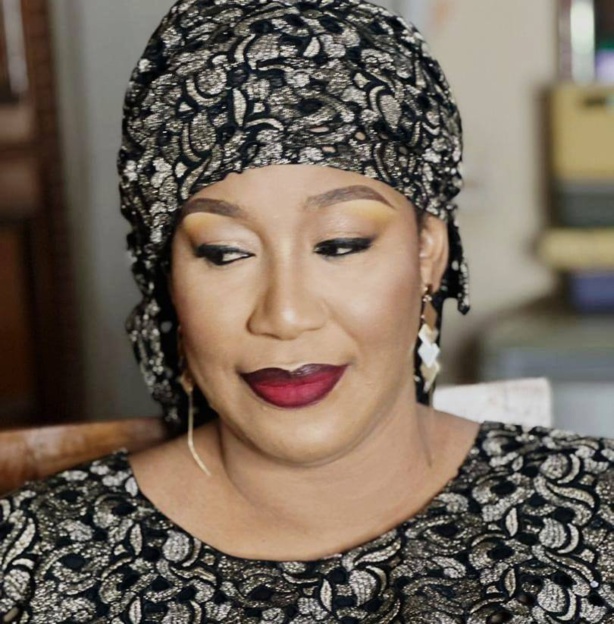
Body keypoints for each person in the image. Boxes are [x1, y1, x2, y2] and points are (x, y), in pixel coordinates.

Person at [1, 0, 613, 621]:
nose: (285, 315)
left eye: (340, 244)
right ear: (168, 279)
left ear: (428, 253)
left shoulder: (596, 516)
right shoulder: (33, 561)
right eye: (224, 253)